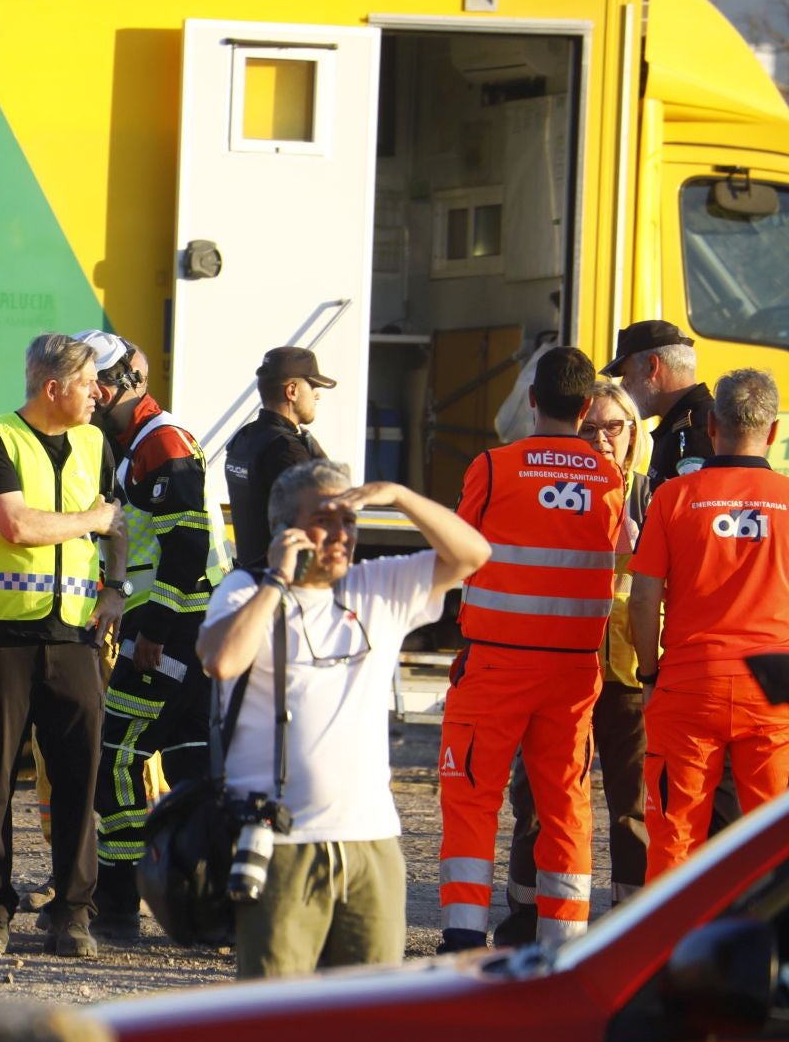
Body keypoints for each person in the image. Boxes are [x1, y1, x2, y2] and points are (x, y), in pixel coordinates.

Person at [198, 461, 487, 979]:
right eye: (325, 520)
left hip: (370, 842)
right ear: (286, 529)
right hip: (279, 843)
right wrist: (277, 581)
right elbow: (220, 661)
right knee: (275, 1017)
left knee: (369, 1023)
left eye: (349, 520)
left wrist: (399, 495)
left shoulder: (377, 586)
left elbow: (473, 554)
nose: (341, 535)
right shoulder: (245, 591)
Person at [437, 347, 627, 952]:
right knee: (565, 803)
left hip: (495, 661)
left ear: (533, 400)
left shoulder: (494, 467)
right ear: (588, 407)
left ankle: (464, 937)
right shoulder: (611, 477)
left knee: (472, 797)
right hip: (573, 671)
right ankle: (563, 942)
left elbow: (458, 552)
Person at [0, 332, 125, 959]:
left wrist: (118, 585)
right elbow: (19, 526)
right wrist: (94, 521)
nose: (98, 394)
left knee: (81, 777)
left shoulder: (95, 441)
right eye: (87, 384)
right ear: (53, 388)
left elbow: (119, 518)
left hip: (76, 633)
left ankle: (72, 914)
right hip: (1, 634)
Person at [78, 330, 229, 940]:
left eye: (98, 385)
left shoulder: (159, 443)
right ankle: (204, 910)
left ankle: (116, 907)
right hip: (190, 629)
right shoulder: (135, 441)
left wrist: (155, 634)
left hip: (173, 628)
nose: (91, 395)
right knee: (195, 772)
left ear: (125, 384)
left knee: (115, 760)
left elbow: (187, 545)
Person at [496, 378, 651, 944]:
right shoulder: (552, 486)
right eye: (592, 428)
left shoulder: (653, 494)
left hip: (630, 669)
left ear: (634, 433)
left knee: (632, 806)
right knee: (539, 796)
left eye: (616, 427)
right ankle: (526, 914)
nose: (604, 439)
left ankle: (632, 923)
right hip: (560, 666)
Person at [630, 368, 789, 877]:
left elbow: (643, 597)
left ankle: (666, 953)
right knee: (775, 848)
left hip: (689, 685)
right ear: (772, 432)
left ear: (711, 426)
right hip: (774, 689)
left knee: (675, 839)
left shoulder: (674, 497)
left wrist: (649, 673)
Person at [223, 346, 335, 572]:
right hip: (280, 582)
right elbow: (327, 512)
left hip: (248, 576)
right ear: (292, 391)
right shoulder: (287, 450)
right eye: (312, 386)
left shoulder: (244, 438)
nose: (317, 394)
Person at [603, 319, 710, 490]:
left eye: (626, 374)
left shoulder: (698, 432)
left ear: (652, 366)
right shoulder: (683, 425)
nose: (623, 386)